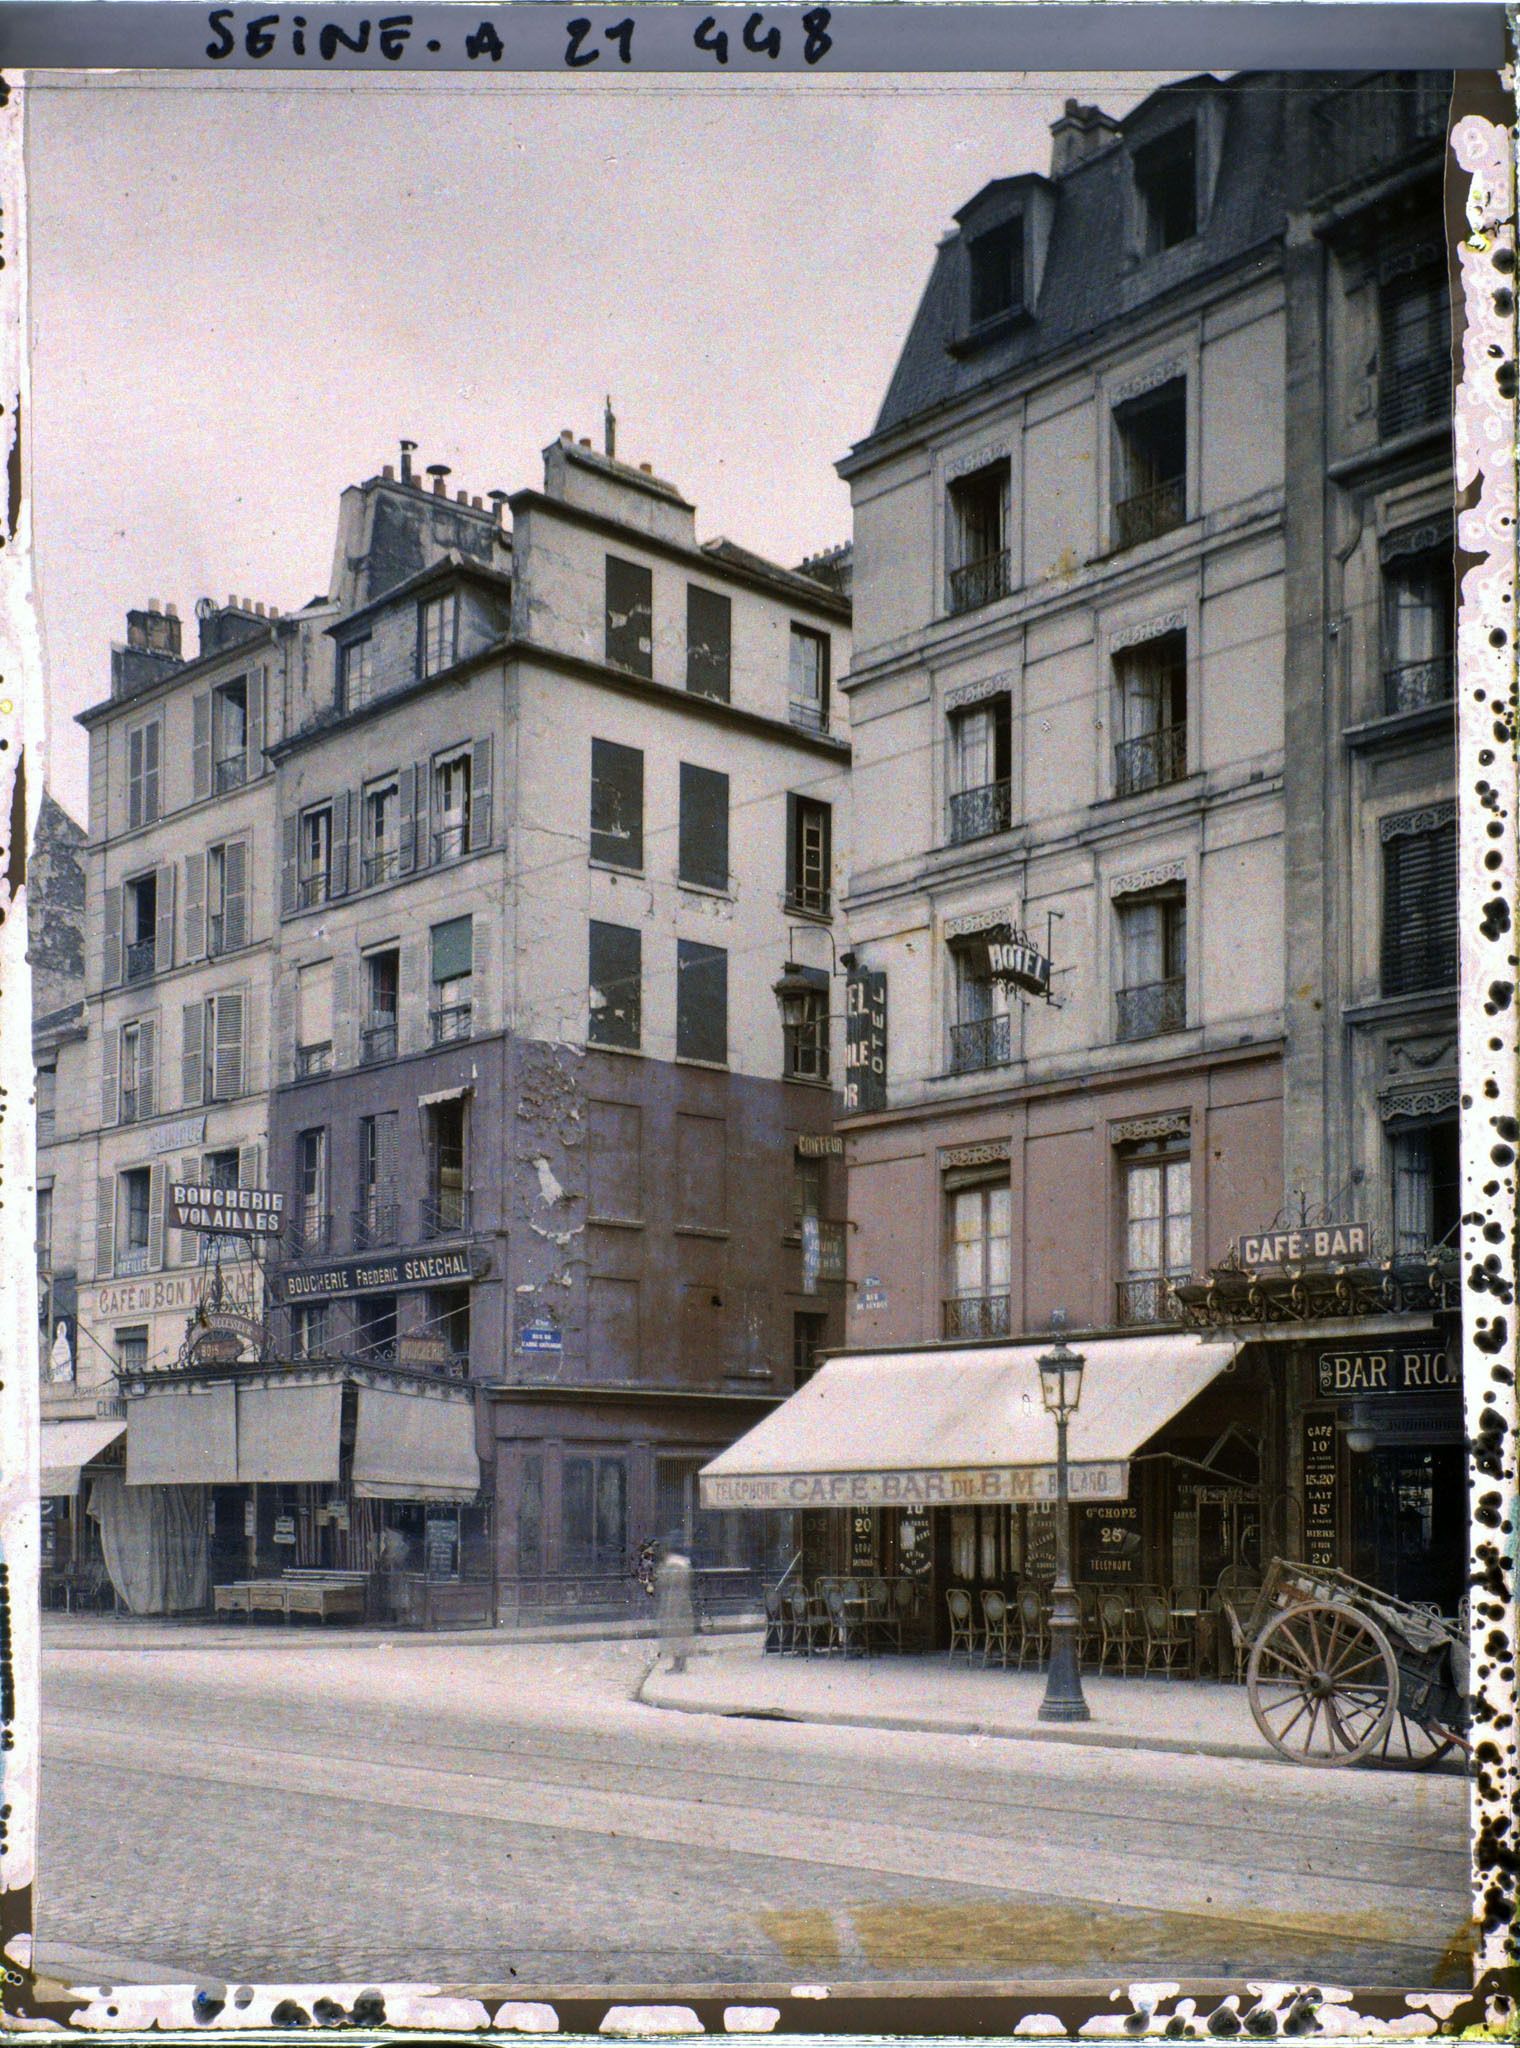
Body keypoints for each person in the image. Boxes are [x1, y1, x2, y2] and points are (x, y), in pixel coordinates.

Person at [654, 1538, 696, 1673]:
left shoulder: (669, 1567)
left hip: (672, 1603)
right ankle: (681, 1664)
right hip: (683, 1601)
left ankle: (678, 1665)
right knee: (682, 1634)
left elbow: (662, 1582)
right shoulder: (684, 1565)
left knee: (674, 1633)